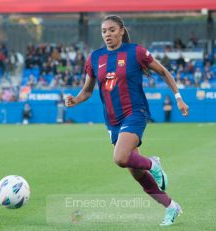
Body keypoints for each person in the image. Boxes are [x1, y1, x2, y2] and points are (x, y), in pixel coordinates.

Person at [64, 15, 189, 226]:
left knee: (120, 158)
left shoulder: (135, 52)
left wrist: (178, 98)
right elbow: (86, 91)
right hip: (112, 121)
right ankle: (171, 207)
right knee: (137, 174)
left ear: (122, 30)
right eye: (104, 31)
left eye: (112, 30)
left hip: (135, 112)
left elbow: (163, 71)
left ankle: (153, 163)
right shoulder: (95, 58)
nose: (107, 34)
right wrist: (74, 100)